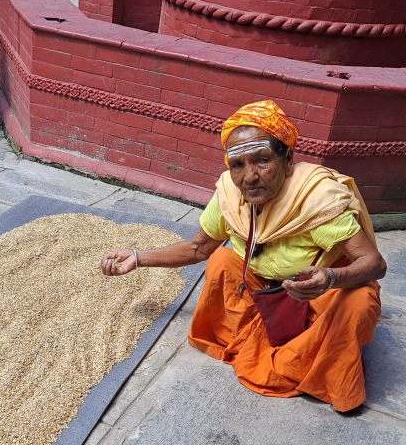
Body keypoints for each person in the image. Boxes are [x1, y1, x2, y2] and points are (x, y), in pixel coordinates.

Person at [100, 100, 386, 413]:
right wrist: (138, 257)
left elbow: (374, 264)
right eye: (238, 164)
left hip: (320, 289)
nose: (249, 177)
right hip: (270, 285)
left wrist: (331, 278)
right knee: (222, 261)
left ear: (288, 159)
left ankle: (325, 371)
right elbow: (199, 247)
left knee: (358, 301)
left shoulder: (315, 199)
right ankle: (262, 338)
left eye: (262, 161)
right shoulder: (230, 194)